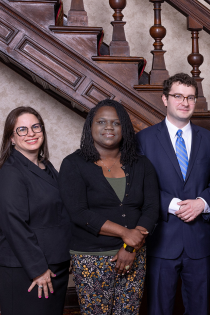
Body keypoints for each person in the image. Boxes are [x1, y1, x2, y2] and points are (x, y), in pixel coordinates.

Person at [59, 99, 160, 314]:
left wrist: (130, 247)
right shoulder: (73, 164)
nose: (108, 128)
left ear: (124, 128)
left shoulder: (141, 164)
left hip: (134, 255)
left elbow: (151, 208)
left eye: (116, 123)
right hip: (91, 257)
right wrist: (126, 234)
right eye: (101, 122)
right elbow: (78, 212)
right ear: (90, 126)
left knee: (128, 312)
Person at [136, 73, 210, 315]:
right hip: (161, 241)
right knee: (159, 310)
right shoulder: (144, 139)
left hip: (201, 243)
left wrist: (202, 203)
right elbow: (138, 186)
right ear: (165, 99)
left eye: (190, 97)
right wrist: (172, 205)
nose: (185, 102)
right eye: (178, 96)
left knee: (199, 309)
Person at [0, 107, 71, 315]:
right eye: (22, 130)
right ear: (12, 139)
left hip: (55, 264)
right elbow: (14, 225)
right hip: (28, 269)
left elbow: (61, 213)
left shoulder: (47, 166)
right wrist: (38, 270)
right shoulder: (11, 174)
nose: (31, 133)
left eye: (35, 127)